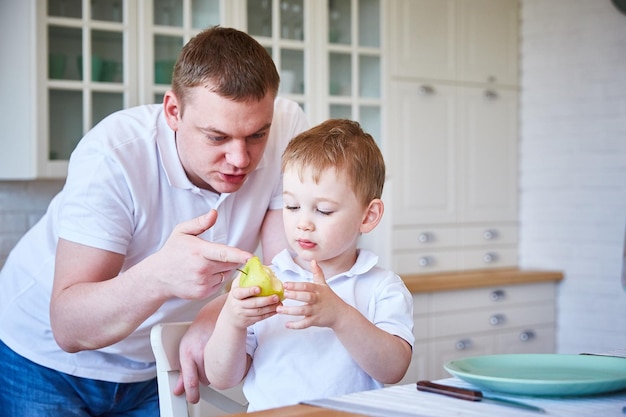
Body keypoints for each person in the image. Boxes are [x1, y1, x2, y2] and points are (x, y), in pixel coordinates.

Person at [0, 26, 309, 416]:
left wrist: (215, 312)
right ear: (173, 112)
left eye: (256, 135)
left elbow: (283, 269)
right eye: (217, 137)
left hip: (156, 363)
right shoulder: (114, 157)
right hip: (42, 360)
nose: (241, 159)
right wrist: (160, 275)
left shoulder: (285, 125)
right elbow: (68, 326)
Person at [203, 119, 415, 412]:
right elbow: (221, 378)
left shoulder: (382, 287)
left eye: (323, 210)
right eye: (291, 206)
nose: (302, 223)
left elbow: (393, 370)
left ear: (368, 216)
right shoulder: (263, 282)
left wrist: (340, 317)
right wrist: (232, 321)